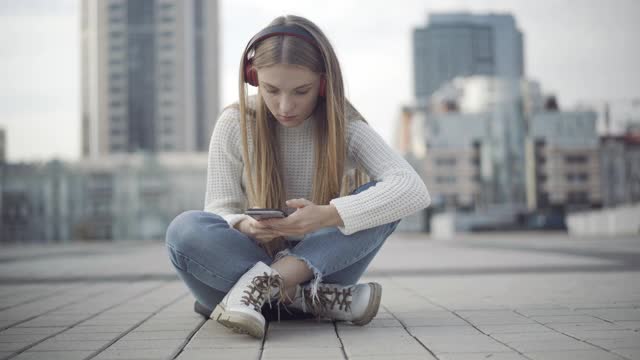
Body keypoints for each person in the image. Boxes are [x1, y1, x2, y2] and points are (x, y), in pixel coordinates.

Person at [165, 14, 431, 339]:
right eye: (271, 90)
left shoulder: (344, 126)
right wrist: (244, 225)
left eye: (301, 91)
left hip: (322, 270)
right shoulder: (235, 123)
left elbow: (412, 188)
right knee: (184, 230)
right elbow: (218, 209)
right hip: (266, 266)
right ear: (253, 77)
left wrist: (328, 216)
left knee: (382, 201)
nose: (285, 105)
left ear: (322, 83)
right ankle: (304, 300)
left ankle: (260, 289)